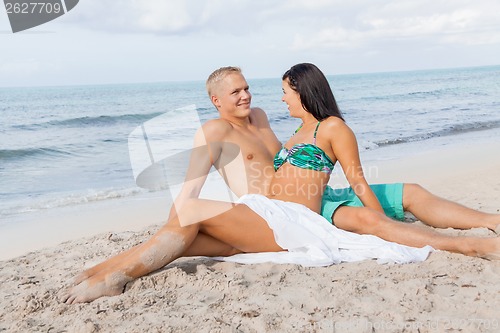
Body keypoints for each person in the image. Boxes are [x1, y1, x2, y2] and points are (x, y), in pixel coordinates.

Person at [60, 65, 499, 304]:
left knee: (189, 229)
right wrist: (181, 219)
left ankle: (110, 274)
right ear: (216, 100)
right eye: (234, 92)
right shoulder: (213, 131)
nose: (246, 96)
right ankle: (105, 272)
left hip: (288, 215)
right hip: (261, 214)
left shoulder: (266, 120)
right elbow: (188, 193)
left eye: (247, 87)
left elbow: (303, 163)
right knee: (185, 235)